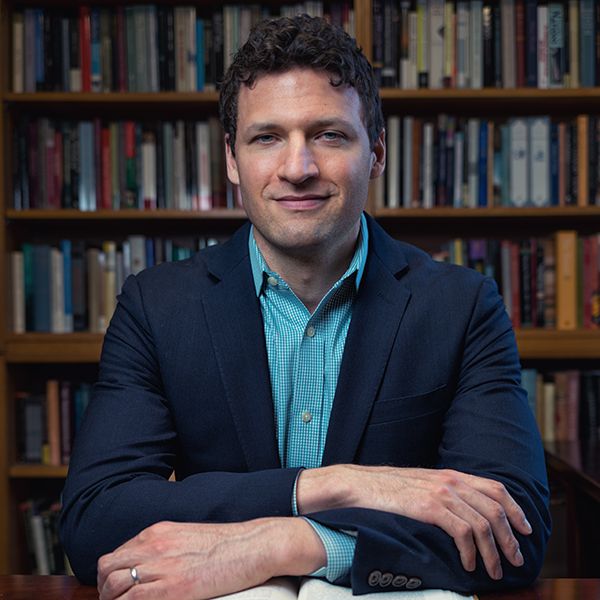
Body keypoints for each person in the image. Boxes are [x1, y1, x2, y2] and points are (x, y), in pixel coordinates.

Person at [59, 14, 551, 600]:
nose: (298, 169)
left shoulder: (462, 306)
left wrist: (292, 543)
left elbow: (516, 534)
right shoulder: (157, 307)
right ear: (231, 160)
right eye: (267, 137)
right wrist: (336, 487)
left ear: (377, 153)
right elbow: (94, 520)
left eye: (330, 135)